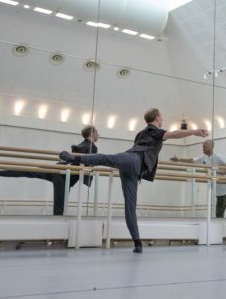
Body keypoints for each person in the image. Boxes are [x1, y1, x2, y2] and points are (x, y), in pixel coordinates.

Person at [60, 108, 208, 253]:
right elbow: (175, 134)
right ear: (156, 118)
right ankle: (76, 158)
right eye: (161, 117)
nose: (162, 119)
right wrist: (195, 132)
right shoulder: (153, 130)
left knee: (129, 205)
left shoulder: (141, 133)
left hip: (132, 168)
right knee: (109, 161)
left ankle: (138, 243)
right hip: (134, 162)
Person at [0, 125, 99, 215]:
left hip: (58, 169)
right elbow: (88, 164)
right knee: (59, 204)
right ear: (92, 133)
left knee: (28, 171)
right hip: (64, 175)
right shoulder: (92, 147)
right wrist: (89, 177)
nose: (98, 134)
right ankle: (56, 230)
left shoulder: (81, 145)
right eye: (97, 132)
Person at [170, 139, 226, 218]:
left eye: (205, 147)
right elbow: (192, 160)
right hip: (215, 187)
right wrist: (179, 160)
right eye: (203, 147)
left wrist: (223, 168)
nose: (203, 148)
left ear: (211, 147)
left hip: (222, 187)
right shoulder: (203, 157)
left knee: (219, 212)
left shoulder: (218, 157)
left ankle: (220, 230)